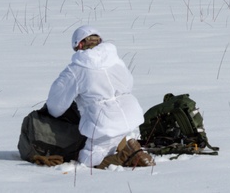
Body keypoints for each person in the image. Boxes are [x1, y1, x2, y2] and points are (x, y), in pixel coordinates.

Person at [46, 25, 153, 169]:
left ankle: (126, 155)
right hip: (132, 119)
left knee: (87, 162)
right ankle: (132, 148)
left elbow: (55, 106)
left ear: (80, 44)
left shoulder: (76, 69)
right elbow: (129, 83)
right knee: (121, 140)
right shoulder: (116, 60)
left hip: (104, 126)